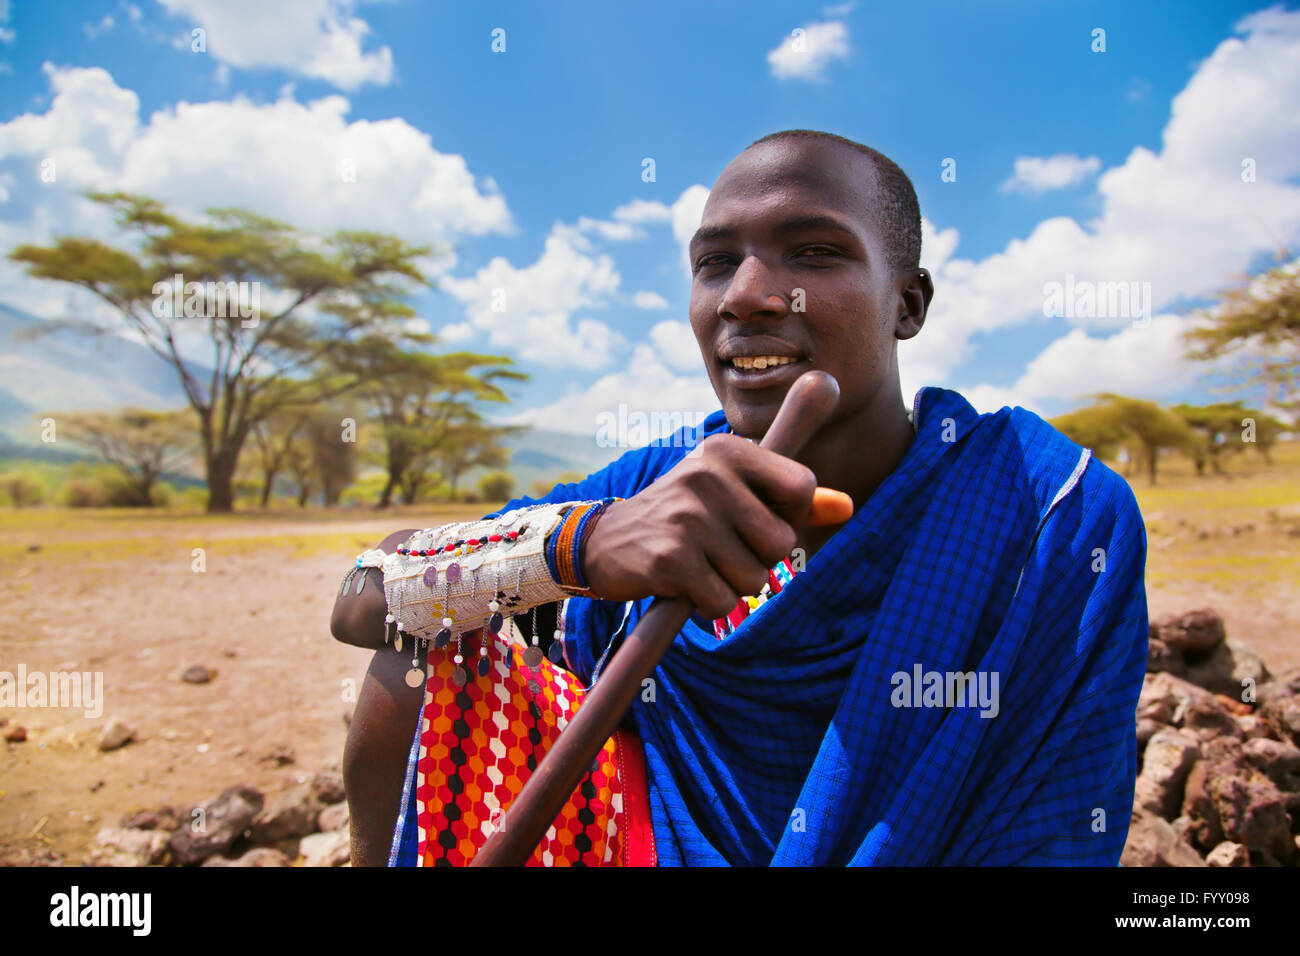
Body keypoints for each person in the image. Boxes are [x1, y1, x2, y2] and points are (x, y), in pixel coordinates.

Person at [330, 128, 1149, 866]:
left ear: (907, 302)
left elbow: (1056, 820)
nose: (747, 295)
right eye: (715, 263)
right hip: (641, 841)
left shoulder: (1050, 508)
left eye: (816, 253)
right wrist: (585, 546)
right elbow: (366, 595)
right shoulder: (655, 481)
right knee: (419, 666)